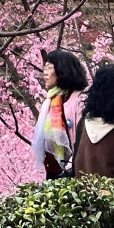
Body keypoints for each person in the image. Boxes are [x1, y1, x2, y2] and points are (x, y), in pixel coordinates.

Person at [31, 49, 89, 178]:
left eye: (49, 68)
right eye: (45, 68)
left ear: (62, 70)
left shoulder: (79, 100)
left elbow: (82, 140)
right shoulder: (51, 100)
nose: (45, 73)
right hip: (54, 171)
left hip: (74, 171)